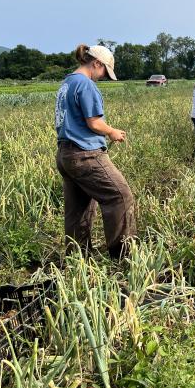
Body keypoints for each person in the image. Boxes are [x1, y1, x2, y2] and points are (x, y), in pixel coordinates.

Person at [55, 44, 136, 259]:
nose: (102, 77)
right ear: (96, 63)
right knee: (121, 197)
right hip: (86, 155)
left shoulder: (67, 83)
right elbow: (94, 123)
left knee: (78, 210)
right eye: (104, 72)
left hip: (65, 154)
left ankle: (77, 259)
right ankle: (123, 258)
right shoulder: (86, 84)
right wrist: (112, 132)